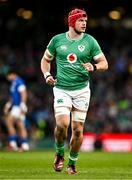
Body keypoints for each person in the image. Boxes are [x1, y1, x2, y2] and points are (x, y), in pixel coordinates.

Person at [40, 8, 108, 174]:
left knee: (77, 130)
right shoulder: (57, 40)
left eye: (85, 21)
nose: (84, 23)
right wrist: (47, 75)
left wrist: (94, 66)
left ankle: (71, 163)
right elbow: (45, 60)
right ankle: (59, 153)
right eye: (80, 21)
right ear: (72, 22)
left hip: (82, 91)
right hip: (62, 89)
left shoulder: (90, 41)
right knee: (62, 124)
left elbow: (104, 63)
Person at [3, 68, 29, 152]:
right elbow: (13, 96)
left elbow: (23, 93)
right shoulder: (14, 83)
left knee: (9, 121)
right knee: (20, 125)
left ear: (13, 74)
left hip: (18, 106)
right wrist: (8, 104)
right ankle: (24, 145)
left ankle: (13, 144)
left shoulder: (19, 82)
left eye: (8, 76)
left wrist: (23, 104)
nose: (8, 78)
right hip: (15, 106)